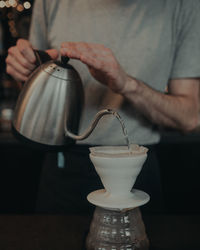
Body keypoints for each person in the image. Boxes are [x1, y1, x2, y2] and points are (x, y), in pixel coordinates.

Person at [6, 0, 200, 214]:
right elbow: (34, 77)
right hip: (63, 165)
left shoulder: (184, 5)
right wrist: (24, 68)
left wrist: (126, 84)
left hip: (135, 169)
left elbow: (189, 118)